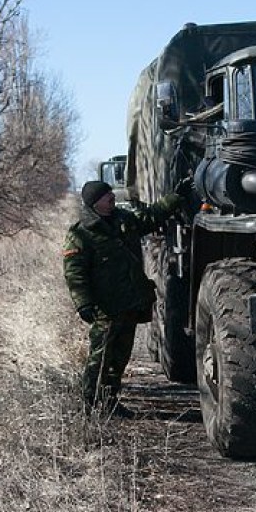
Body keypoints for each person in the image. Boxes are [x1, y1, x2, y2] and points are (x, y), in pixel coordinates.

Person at [62, 177, 192, 418]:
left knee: (119, 358)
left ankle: (110, 402)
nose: (112, 197)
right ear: (94, 203)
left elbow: (152, 216)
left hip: (129, 304)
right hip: (105, 308)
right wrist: (84, 303)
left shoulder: (124, 220)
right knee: (100, 358)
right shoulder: (81, 234)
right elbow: (74, 273)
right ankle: (91, 406)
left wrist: (175, 198)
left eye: (111, 193)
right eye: (106, 196)